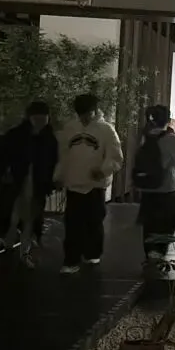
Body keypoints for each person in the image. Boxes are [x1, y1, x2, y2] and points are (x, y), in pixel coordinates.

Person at [53, 93, 124, 274]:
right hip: (73, 184)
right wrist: (59, 176)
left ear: (95, 110)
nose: (84, 117)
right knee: (72, 224)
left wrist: (103, 170)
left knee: (94, 222)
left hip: (95, 185)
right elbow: (63, 156)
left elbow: (116, 157)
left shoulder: (106, 130)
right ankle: (71, 260)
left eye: (88, 113)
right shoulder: (70, 128)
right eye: (81, 114)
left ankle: (93, 253)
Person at [0, 101, 58, 268]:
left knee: (29, 216)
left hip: (36, 182)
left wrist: (52, 181)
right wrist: (2, 174)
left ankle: (22, 249)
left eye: (43, 119)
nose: (40, 122)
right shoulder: (17, 135)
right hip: (18, 180)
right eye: (37, 119)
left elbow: (53, 162)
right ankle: (12, 243)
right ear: (30, 117)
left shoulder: (49, 138)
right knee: (15, 213)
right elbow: (1, 157)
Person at [132, 105, 175, 262]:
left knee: (150, 220)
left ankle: (149, 250)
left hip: (148, 185)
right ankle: (159, 250)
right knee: (171, 218)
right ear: (168, 120)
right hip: (167, 186)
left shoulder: (145, 135)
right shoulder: (170, 138)